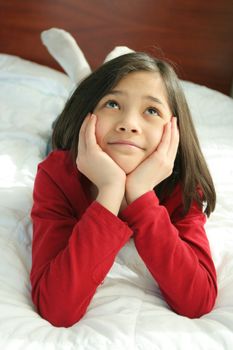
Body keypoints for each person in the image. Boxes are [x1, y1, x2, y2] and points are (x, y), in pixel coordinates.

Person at [30, 52, 217, 328]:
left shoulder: (182, 184)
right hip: (82, 147)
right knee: (56, 129)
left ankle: (105, 72)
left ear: (175, 130)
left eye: (151, 110)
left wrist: (141, 195)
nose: (129, 123)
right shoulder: (57, 174)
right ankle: (82, 75)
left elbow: (197, 300)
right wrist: (110, 190)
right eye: (112, 103)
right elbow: (56, 308)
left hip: (116, 144)